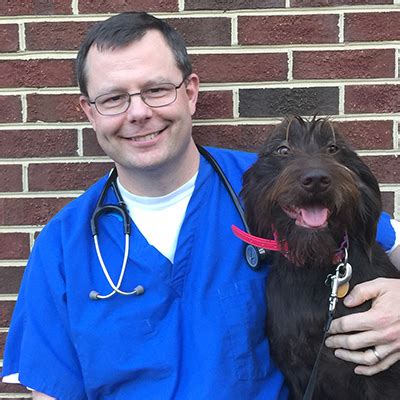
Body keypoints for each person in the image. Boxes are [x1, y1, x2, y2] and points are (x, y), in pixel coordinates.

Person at [2, 12, 400, 400]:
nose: (139, 113)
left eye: (157, 89)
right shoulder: (63, 244)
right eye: (113, 98)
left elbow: (379, 236)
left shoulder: (271, 187)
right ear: (90, 112)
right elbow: (51, 391)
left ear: (190, 93)